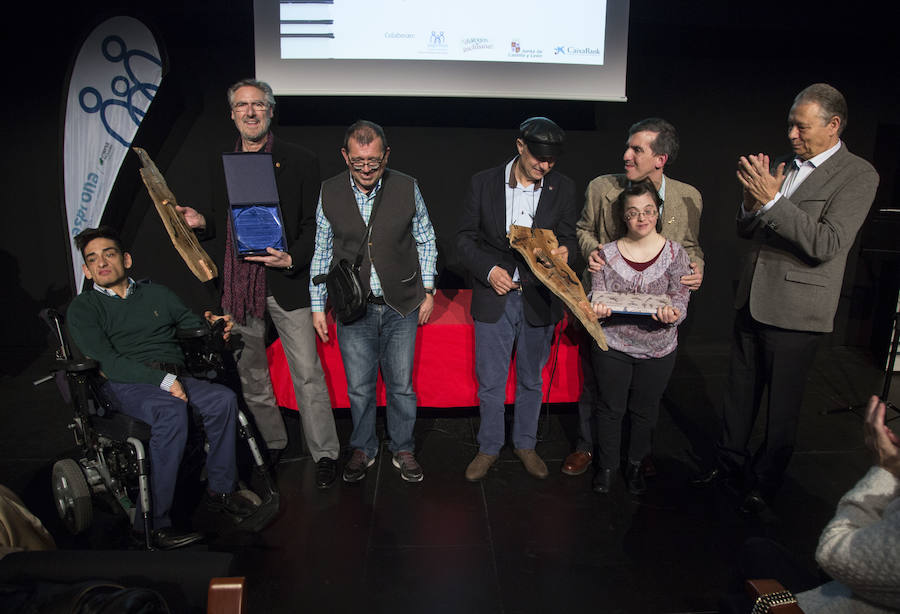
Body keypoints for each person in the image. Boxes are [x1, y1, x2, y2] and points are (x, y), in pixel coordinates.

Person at [693, 83, 880, 513]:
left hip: (797, 311)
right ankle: (728, 466)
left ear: (833, 126)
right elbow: (750, 230)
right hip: (753, 298)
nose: (792, 134)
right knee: (738, 395)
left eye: (801, 126)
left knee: (781, 408)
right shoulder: (787, 167)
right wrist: (750, 203)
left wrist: (773, 200)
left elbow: (826, 242)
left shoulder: (858, 174)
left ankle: (766, 482)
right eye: (790, 125)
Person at [177, 78, 340, 489]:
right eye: (242, 105)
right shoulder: (221, 163)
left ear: (270, 111)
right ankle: (272, 442)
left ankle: (324, 453)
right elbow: (225, 221)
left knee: (307, 373)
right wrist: (203, 222)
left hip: (286, 281)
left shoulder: (299, 159)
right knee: (251, 375)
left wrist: (292, 258)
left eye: (258, 105)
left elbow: (312, 225)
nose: (250, 112)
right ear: (232, 114)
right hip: (238, 286)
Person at [67, 226, 257, 550]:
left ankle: (221, 490)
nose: (101, 263)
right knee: (170, 411)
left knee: (223, 400)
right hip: (126, 384)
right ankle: (150, 524)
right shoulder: (84, 309)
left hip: (175, 375)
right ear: (86, 270)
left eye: (109, 254)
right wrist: (164, 382)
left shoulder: (157, 295)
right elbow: (108, 361)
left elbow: (190, 324)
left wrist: (212, 326)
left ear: (126, 259)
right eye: (92, 259)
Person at [563, 117, 704, 477]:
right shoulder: (602, 188)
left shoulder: (688, 196)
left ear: (661, 158)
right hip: (606, 308)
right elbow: (583, 229)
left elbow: (690, 246)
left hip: (655, 314)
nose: (626, 154)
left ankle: (639, 454)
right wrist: (594, 250)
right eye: (628, 146)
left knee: (645, 395)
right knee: (597, 382)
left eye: (637, 149)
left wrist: (697, 265)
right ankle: (587, 446)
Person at [310, 120, 437, 483]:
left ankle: (403, 447)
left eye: (374, 162)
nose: (366, 169)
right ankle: (363, 446)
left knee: (401, 385)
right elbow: (321, 250)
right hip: (353, 308)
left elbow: (426, 239)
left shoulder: (407, 186)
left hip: (402, 304)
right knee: (359, 387)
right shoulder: (329, 191)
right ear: (345, 156)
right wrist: (318, 305)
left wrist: (428, 289)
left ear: (386, 156)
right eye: (358, 162)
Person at [457, 117, 578, 481]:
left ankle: (525, 444)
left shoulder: (564, 187)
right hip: (496, 295)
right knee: (491, 381)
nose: (545, 166)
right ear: (520, 146)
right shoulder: (483, 182)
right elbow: (463, 239)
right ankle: (489, 447)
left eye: (552, 161)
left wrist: (566, 252)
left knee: (531, 379)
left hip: (539, 299)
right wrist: (490, 270)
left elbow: (570, 236)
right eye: (539, 158)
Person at [719, 395, 900, 614]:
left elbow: (832, 554)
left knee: (741, 594)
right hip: (853, 586)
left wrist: (885, 470)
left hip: (836, 602)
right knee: (757, 550)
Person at [587, 180, 691, 494]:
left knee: (645, 410)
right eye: (633, 213)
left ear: (658, 212)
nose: (641, 218)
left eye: (648, 211)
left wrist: (673, 314)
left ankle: (635, 465)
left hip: (658, 347)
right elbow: (596, 293)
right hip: (613, 344)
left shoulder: (676, 254)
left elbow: (681, 298)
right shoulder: (604, 254)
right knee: (610, 407)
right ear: (623, 217)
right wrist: (598, 308)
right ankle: (607, 467)